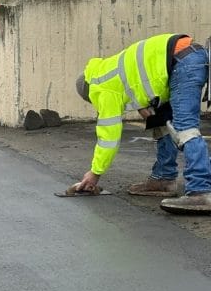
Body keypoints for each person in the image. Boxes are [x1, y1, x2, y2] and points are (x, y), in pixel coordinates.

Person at [74, 33, 211, 213]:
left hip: (182, 63)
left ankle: (200, 190)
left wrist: (94, 173)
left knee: (186, 129)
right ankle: (163, 179)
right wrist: (141, 104)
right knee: (161, 122)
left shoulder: (101, 88)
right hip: (184, 58)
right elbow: (140, 78)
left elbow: (109, 137)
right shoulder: (107, 69)